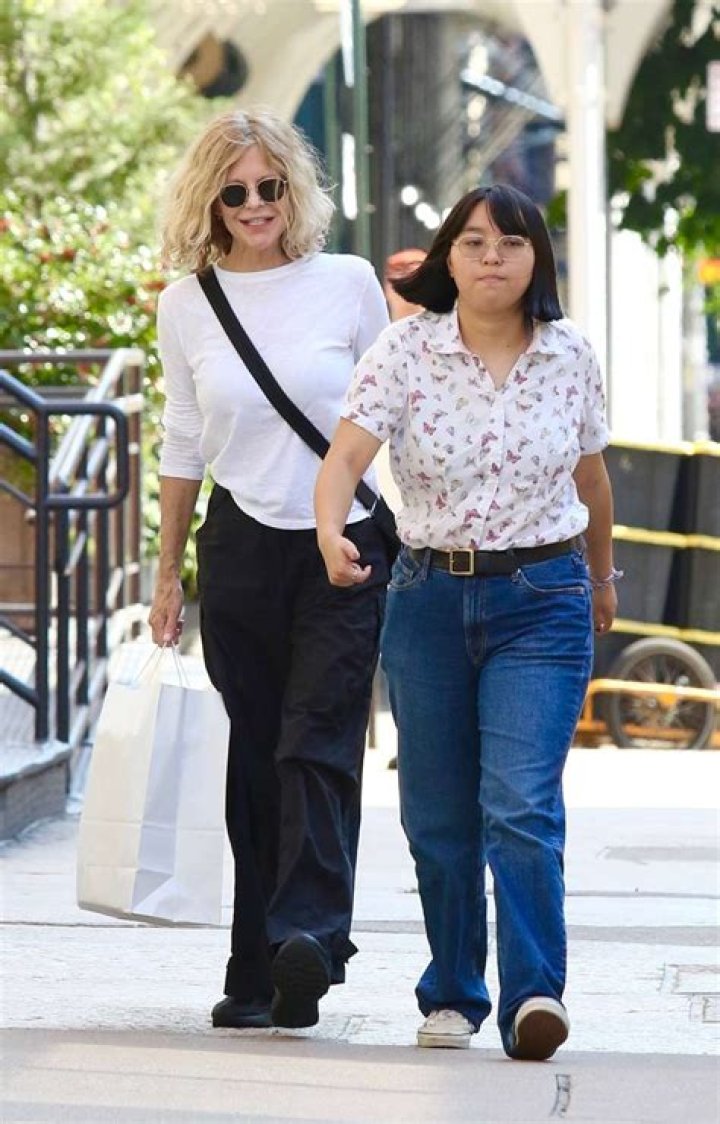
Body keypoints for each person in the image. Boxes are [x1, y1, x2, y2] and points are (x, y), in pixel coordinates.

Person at [315, 184, 618, 1059]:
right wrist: (331, 532)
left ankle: (534, 996)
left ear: (538, 260)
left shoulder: (571, 356)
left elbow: (593, 482)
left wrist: (602, 579)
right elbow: (346, 457)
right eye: (475, 241)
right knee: (438, 816)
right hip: (428, 602)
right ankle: (453, 989)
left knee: (519, 804)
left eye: (511, 243)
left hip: (544, 600)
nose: (492, 257)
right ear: (448, 255)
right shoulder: (402, 352)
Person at [148, 108, 390, 1031]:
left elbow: (386, 412)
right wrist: (168, 572)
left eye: (270, 187)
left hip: (346, 542)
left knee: (318, 739)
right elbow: (180, 437)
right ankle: (255, 967)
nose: (255, 205)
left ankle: (310, 939)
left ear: (296, 189)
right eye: (235, 191)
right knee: (256, 753)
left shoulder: (348, 283)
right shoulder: (188, 303)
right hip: (239, 543)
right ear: (211, 200)